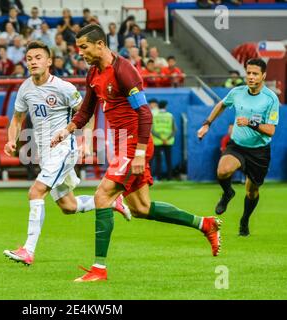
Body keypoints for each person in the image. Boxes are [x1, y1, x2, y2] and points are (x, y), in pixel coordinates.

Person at [51, 24, 221, 282]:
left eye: (84, 47)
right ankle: (204, 224)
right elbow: (86, 110)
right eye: (78, 48)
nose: (80, 53)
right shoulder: (94, 74)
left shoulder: (123, 70)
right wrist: (68, 129)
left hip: (133, 144)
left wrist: (140, 152)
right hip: (123, 144)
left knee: (102, 196)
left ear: (100, 44)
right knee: (142, 208)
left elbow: (144, 112)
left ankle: (99, 269)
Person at [2, 41, 131, 266]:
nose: (33, 62)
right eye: (29, 58)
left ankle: (28, 250)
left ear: (49, 61)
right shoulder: (25, 88)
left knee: (35, 192)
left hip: (63, 150)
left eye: (38, 57)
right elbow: (17, 118)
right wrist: (12, 139)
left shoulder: (64, 88)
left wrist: (87, 141)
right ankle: (112, 202)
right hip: (44, 153)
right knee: (68, 207)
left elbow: (87, 113)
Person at [197, 58, 279, 236]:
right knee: (223, 171)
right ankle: (227, 193)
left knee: (252, 191)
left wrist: (250, 123)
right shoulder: (237, 92)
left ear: (263, 76)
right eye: (248, 73)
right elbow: (221, 105)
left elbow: (271, 130)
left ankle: (244, 220)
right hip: (238, 146)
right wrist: (207, 124)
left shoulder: (271, 98)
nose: (250, 77)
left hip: (259, 152)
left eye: (255, 74)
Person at [152, 100, 176, 180]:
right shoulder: (170, 116)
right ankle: (170, 177)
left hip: (157, 141)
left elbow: (152, 130)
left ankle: (159, 177)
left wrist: (161, 138)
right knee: (168, 160)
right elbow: (174, 129)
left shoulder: (154, 116)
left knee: (158, 160)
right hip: (168, 141)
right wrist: (166, 139)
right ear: (166, 106)